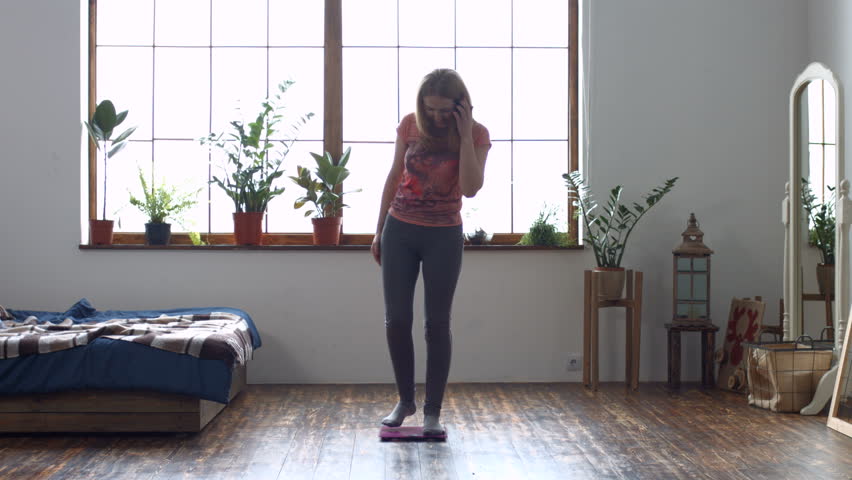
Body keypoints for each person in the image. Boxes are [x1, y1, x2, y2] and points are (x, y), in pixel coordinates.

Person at [371, 68, 491, 435]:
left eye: (445, 111)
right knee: (396, 320)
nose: (437, 117)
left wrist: (465, 134)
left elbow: (470, 188)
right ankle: (405, 401)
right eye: (431, 109)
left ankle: (432, 412)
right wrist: (378, 231)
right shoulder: (409, 126)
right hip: (400, 229)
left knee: (436, 324)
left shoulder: (478, 134)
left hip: (444, 234)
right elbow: (394, 177)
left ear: (460, 106)